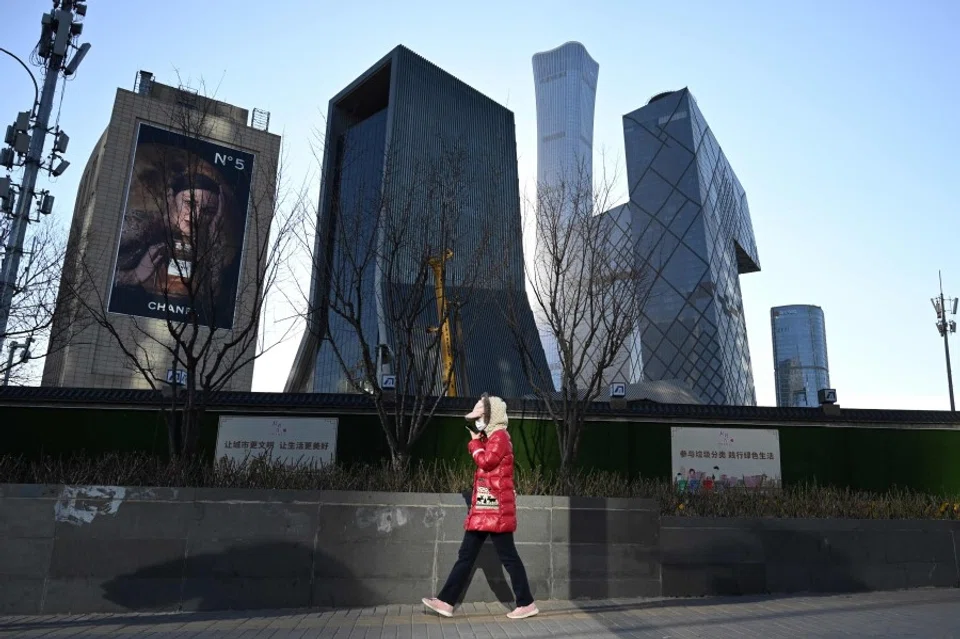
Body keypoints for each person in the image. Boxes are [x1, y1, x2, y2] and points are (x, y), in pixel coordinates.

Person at [422, 393, 539, 620]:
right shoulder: (493, 437)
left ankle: (526, 603)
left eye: (482, 416)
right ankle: (446, 602)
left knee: (507, 557)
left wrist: (475, 443)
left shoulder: (500, 437)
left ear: (492, 416)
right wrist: (479, 440)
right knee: (467, 556)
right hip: (486, 509)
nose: (479, 421)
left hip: (494, 510)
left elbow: (486, 462)